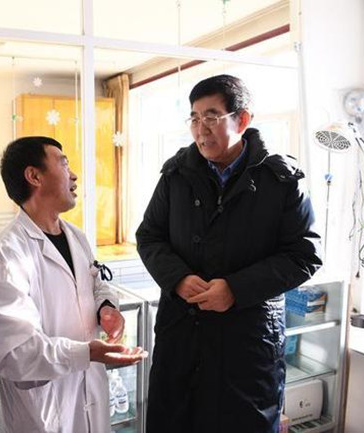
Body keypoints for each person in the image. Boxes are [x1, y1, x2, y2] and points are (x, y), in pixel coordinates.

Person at [136, 74, 323, 433]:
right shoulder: (177, 174)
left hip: (248, 338)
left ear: (242, 119)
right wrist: (178, 278)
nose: (200, 129)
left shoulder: (281, 180)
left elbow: (305, 253)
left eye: (211, 116)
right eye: (194, 118)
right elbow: (149, 236)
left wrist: (236, 289)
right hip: (183, 333)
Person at [0, 136, 146, 433]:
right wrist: (87, 353)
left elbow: (96, 284)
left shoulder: (76, 237)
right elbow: (16, 354)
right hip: (43, 413)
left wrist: (106, 308)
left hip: (90, 399)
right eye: (64, 164)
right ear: (34, 176)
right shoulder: (4, 256)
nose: (74, 175)